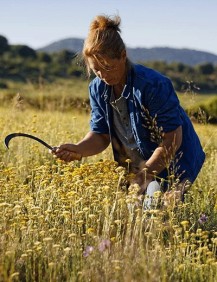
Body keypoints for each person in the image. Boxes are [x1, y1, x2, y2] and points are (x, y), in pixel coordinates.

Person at [52, 15, 205, 204]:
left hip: (176, 160)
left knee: (159, 213)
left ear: (123, 55)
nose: (103, 75)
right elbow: (101, 135)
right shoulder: (97, 88)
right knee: (138, 215)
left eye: (108, 67)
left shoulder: (153, 85)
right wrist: (78, 149)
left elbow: (172, 139)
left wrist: (145, 174)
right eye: (96, 70)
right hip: (139, 166)